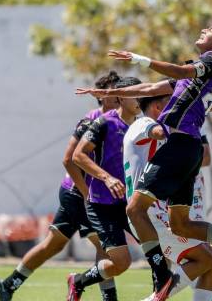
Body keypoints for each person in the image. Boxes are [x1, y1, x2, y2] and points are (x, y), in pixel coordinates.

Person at [76, 18, 212, 301]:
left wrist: (141, 58)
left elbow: (181, 70)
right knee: (182, 225)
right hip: (187, 148)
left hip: (181, 145)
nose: (203, 29)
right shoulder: (194, 77)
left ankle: (161, 275)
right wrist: (109, 93)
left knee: (134, 208)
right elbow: (150, 89)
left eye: (209, 30)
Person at [0, 71, 121, 301]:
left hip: (86, 194)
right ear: (101, 95)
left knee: (53, 245)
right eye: (114, 91)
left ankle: (9, 284)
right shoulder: (91, 121)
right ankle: (107, 297)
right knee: (106, 246)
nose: (120, 95)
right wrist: (85, 194)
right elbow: (69, 159)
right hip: (78, 193)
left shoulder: (119, 121)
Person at [124, 93, 212, 301]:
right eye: (171, 103)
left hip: (155, 214)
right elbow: (161, 132)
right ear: (157, 107)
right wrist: (195, 109)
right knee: (206, 259)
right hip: (149, 217)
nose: (175, 106)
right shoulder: (143, 123)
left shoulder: (147, 127)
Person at [67, 77, 143, 301]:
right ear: (121, 97)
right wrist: (107, 178)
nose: (140, 99)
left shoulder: (143, 125)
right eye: (134, 94)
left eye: (141, 94)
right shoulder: (104, 123)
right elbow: (77, 156)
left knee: (161, 251)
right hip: (102, 204)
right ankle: (79, 281)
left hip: (131, 205)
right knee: (122, 262)